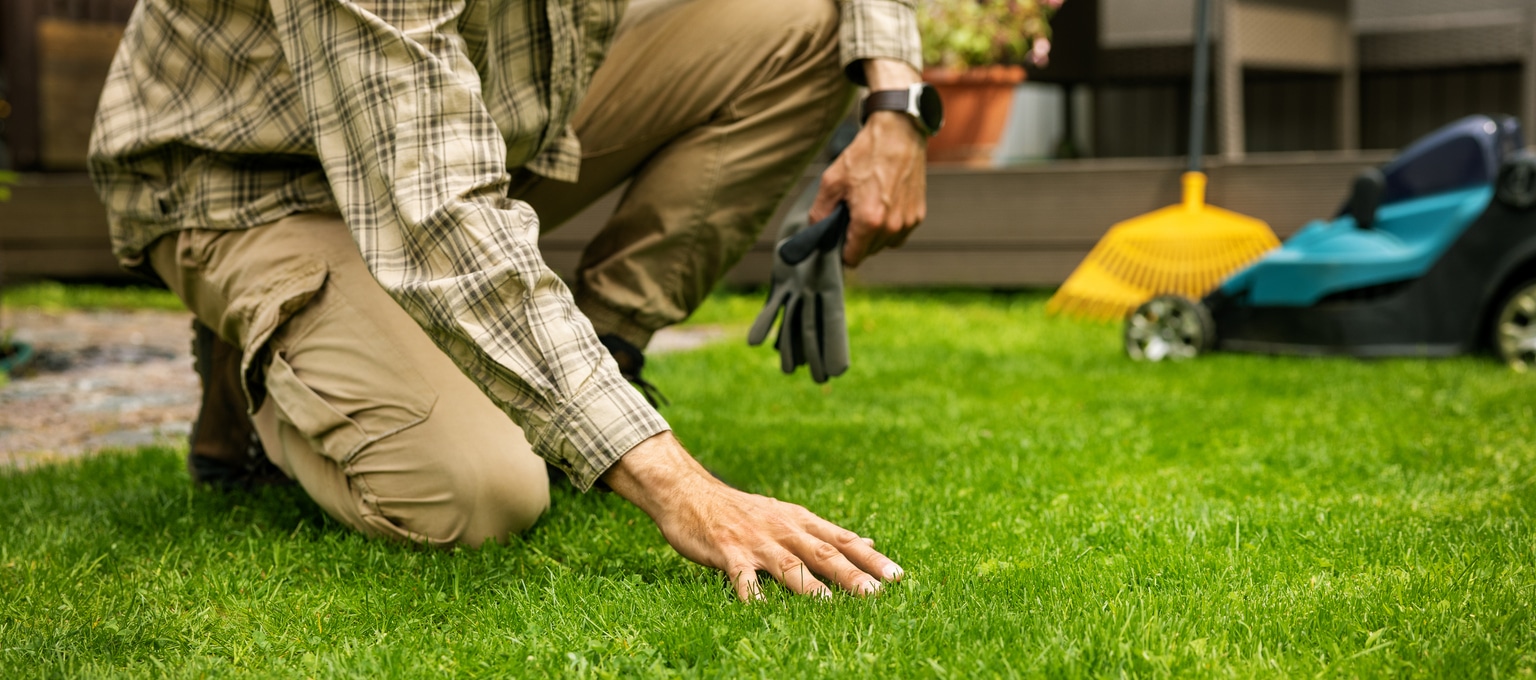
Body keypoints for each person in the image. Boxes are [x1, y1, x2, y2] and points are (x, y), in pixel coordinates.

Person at [89, 0, 938, 601]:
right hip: (255, 181)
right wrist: (681, 488)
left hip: (486, 113)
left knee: (802, 25)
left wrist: (897, 105)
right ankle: (266, 362)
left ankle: (602, 365)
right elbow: (438, 214)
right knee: (479, 495)